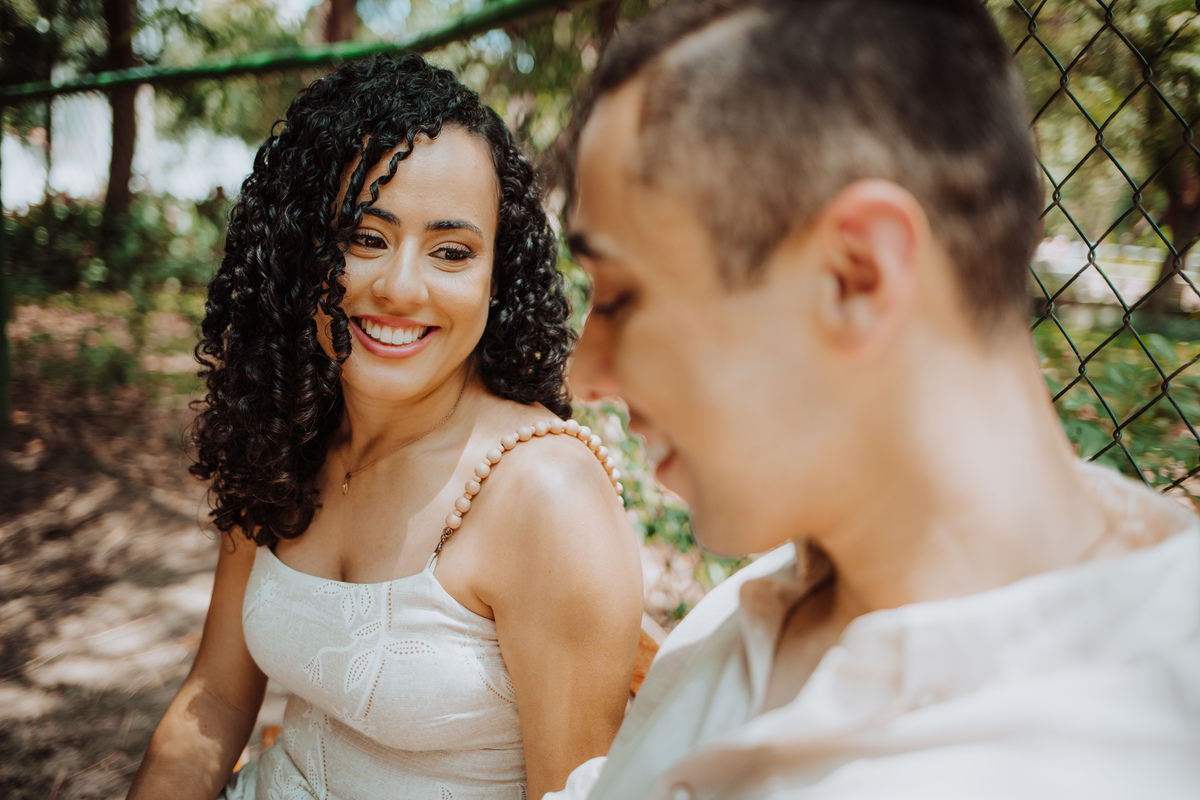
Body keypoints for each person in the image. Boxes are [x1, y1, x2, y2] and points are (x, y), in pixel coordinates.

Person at [558, 0, 1200, 797]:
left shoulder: (1132, 758)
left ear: (855, 277)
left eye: (618, 297)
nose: (583, 376)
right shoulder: (754, 611)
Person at [128, 54, 644, 800]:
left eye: (452, 252)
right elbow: (212, 698)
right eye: (365, 237)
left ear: (496, 279)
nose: (401, 288)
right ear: (301, 248)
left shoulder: (544, 493)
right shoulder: (291, 426)